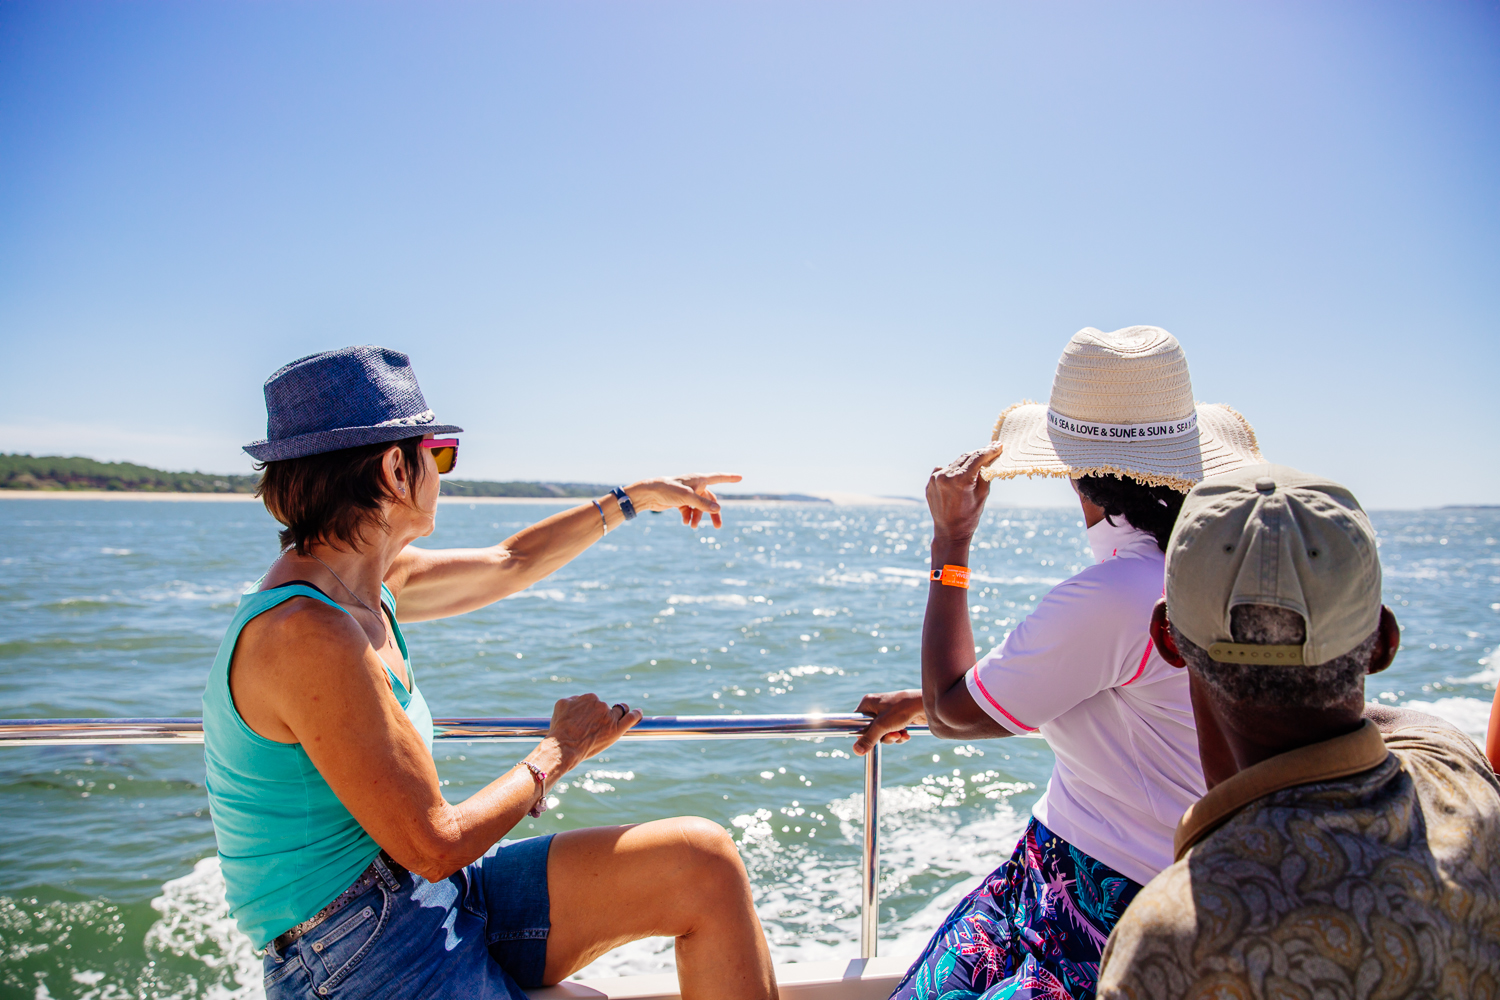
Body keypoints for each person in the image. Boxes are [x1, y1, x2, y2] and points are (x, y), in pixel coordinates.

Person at [202, 346, 777, 1000]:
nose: (441, 469)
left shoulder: (369, 584)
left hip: (432, 894)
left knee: (701, 864)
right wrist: (559, 751)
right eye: (438, 451)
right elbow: (434, 842)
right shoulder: (306, 634)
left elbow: (512, 561)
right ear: (396, 467)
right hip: (352, 950)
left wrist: (634, 499)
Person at [852, 326, 1264, 1000]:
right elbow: (1134, 705)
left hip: (1100, 901)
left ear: (1077, 470)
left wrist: (950, 544)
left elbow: (958, 715)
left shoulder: (1116, 593)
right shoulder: (1210, 572)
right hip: (1160, 888)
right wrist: (923, 702)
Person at [1097, 464, 1500, 998]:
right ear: (1382, 643)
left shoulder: (1174, 935)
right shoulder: (1458, 772)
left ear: (1165, 638)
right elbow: (1402, 725)